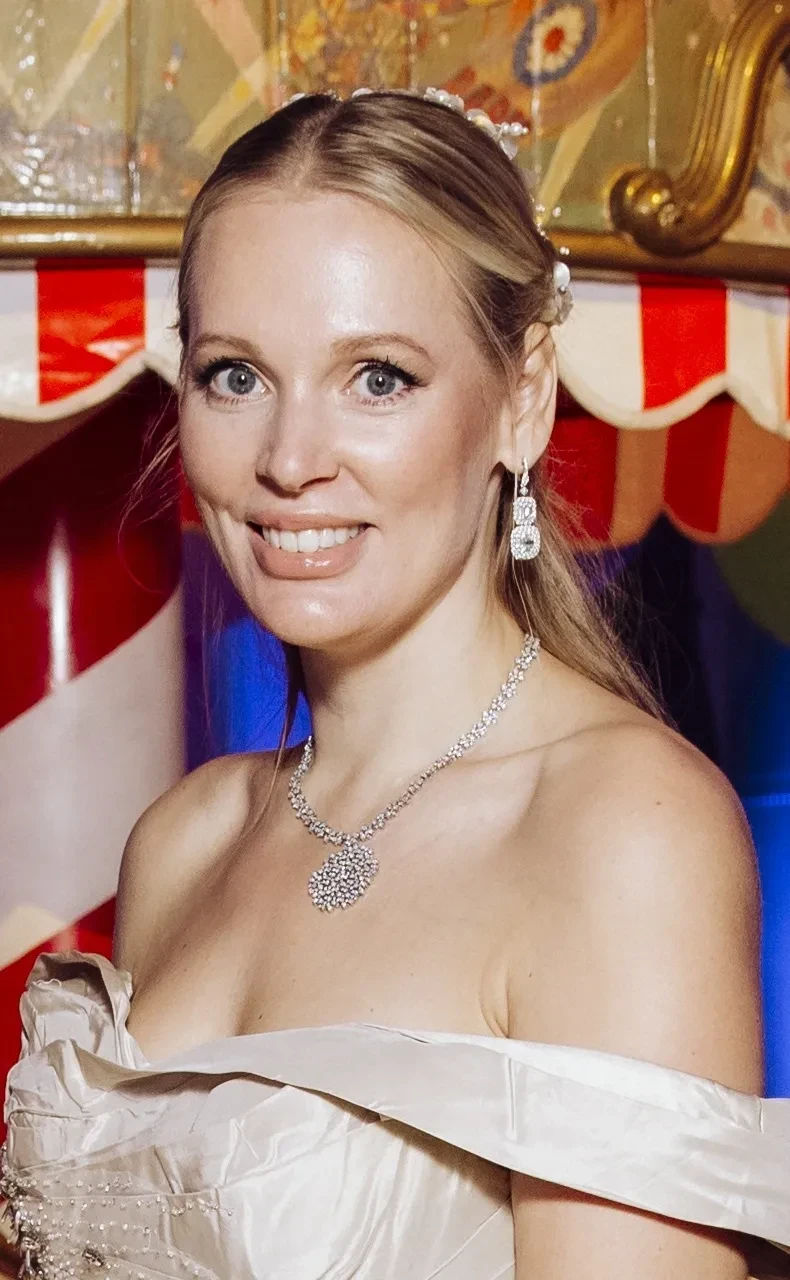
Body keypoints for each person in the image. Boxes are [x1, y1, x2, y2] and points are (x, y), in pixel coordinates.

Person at [3, 89, 789, 1280]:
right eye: (235, 374)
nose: (289, 458)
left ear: (521, 398)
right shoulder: (184, 838)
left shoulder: (617, 829)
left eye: (377, 377)